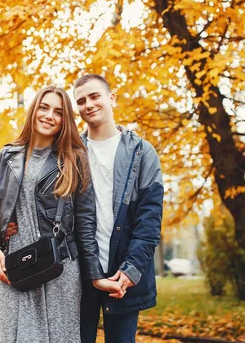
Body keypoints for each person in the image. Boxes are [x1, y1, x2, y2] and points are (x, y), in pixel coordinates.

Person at [0, 85, 120, 343]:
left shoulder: (75, 159)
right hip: (16, 268)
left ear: (65, 120)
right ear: (34, 111)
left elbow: (85, 224)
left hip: (60, 271)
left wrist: (96, 276)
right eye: (44, 108)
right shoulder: (8, 156)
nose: (49, 116)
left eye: (58, 112)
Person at [73, 74, 164, 343]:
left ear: (111, 98)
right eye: (80, 101)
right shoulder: (70, 152)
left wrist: (131, 270)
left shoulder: (142, 152)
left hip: (123, 275)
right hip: (79, 275)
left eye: (94, 96)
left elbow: (149, 220)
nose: (88, 104)